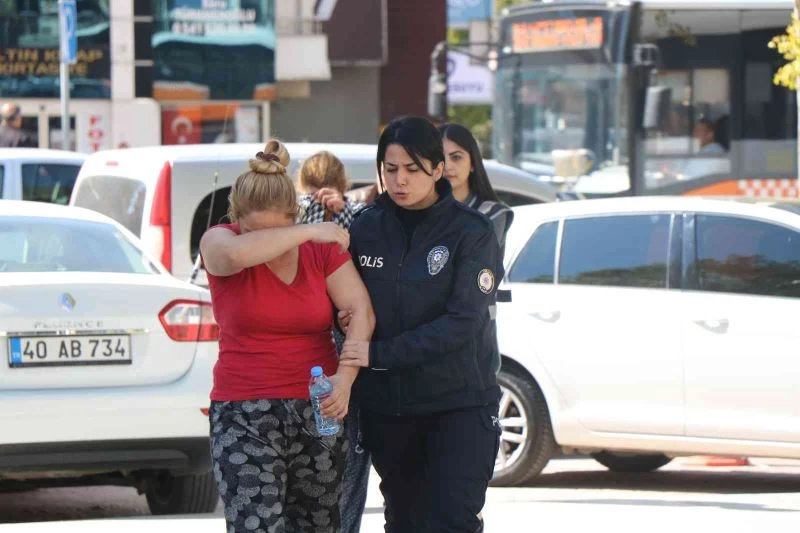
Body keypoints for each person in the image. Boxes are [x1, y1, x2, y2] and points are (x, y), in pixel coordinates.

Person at [199, 139, 375, 533]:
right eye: (254, 233)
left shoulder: (320, 252)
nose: (265, 245)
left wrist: (346, 378)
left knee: (318, 526)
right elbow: (235, 256)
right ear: (236, 218)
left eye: (276, 230)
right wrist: (305, 231)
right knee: (255, 526)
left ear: (290, 214)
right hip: (244, 411)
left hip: (318, 407)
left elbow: (361, 311)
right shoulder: (220, 241)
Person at [339, 116, 503, 533]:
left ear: (436, 169)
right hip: (389, 410)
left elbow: (463, 322)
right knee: (404, 521)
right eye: (390, 168)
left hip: (459, 405)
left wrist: (378, 353)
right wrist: (342, 316)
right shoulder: (365, 227)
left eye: (412, 169)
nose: (400, 180)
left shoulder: (472, 231)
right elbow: (347, 304)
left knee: (451, 520)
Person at [296, 150, 371, 533]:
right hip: (349, 345)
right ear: (343, 182)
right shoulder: (358, 218)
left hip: (299, 350)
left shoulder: (289, 217)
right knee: (348, 460)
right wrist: (342, 211)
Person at [438, 122, 514, 257]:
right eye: (439, 159)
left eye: (456, 157)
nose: (447, 166)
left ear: (473, 163)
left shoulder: (490, 214)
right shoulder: (418, 211)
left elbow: (476, 264)